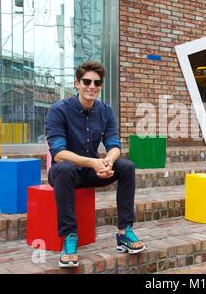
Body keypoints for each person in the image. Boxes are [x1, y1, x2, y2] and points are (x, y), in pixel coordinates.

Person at [45, 60, 147, 268]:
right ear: (77, 83)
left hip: (92, 171)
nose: (92, 86)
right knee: (64, 168)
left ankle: (124, 232)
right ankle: (69, 238)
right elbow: (58, 153)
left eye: (97, 83)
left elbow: (114, 144)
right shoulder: (58, 110)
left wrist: (108, 160)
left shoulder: (105, 111)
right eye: (87, 81)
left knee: (126, 166)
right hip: (64, 172)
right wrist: (93, 162)